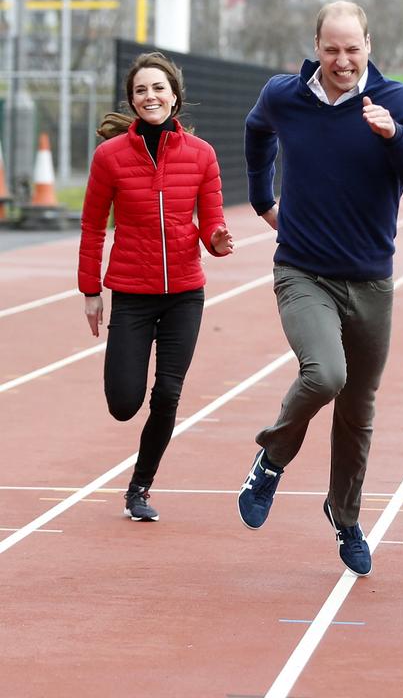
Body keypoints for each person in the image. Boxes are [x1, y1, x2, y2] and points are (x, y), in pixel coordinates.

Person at [238, 1, 403, 576]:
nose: (342, 60)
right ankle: (272, 459)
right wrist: (261, 197)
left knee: (358, 408)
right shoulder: (287, 95)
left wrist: (394, 135)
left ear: (369, 46)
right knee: (325, 374)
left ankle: (345, 516)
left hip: (371, 281)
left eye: (352, 49)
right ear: (316, 47)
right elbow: (258, 131)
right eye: (332, 49)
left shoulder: (397, 101)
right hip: (303, 270)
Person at [78, 51, 234, 522]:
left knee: (167, 393)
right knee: (125, 403)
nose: (151, 96)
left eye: (158, 88)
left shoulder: (202, 155)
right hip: (131, 291)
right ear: (132, 99)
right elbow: (91, 228)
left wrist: (218, 240)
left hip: (185, 292)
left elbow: (211, 221)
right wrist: (90, 290)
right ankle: (135, 459)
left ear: (174, 97)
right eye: (141, 90)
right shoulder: (109, 157)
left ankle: (139, 486)